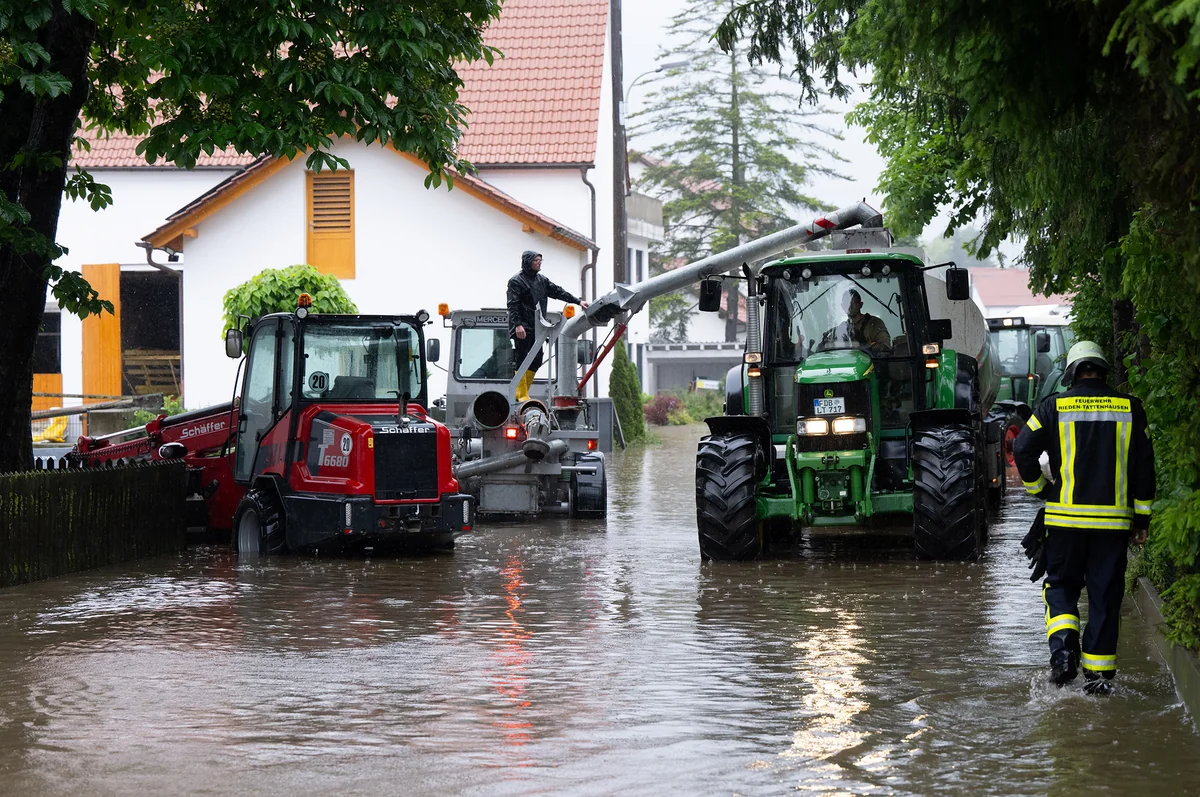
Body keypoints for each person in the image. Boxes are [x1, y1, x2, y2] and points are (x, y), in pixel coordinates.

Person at [1012, 340, 1156, 695]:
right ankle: (1099, 680)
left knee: (1061, 587)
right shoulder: (1132, 409)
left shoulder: (1052, 407)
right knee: (1105, 596)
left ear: (1072, 373)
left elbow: (1021, 448)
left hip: (1065, 522)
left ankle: (1063, 654)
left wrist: (1039, 491)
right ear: (1104, 370)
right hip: (1112, 526)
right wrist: (1142, 520)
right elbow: (1144, 469)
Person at [506, 251, 587, 402]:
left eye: (540, 260)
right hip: (522, 327)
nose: (539, 263)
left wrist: (577, 301)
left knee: (537, 359)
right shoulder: (516, 281)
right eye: (536, 260)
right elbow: (513, 305)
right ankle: (521, 393)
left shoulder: (541, 280)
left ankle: (523, 391)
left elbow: (557, 291)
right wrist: (518, 324)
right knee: (522, 358)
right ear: (528, 261)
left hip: (538, 326)